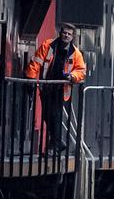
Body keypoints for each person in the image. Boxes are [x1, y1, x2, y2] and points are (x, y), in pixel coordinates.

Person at [24, 23, 87, 153]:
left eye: (69, 34)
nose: (66, 35)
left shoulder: (76, 54)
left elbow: (81, 71)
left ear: (73, 37)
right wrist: (30, 79)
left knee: (55, 114)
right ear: (60, 33)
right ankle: (57, 142)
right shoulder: (48, 45)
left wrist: (72, 77)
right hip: (46, 86)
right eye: (64, 33)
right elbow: (36, 62)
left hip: (61, 89)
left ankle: (55, 144)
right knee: (47, 115)